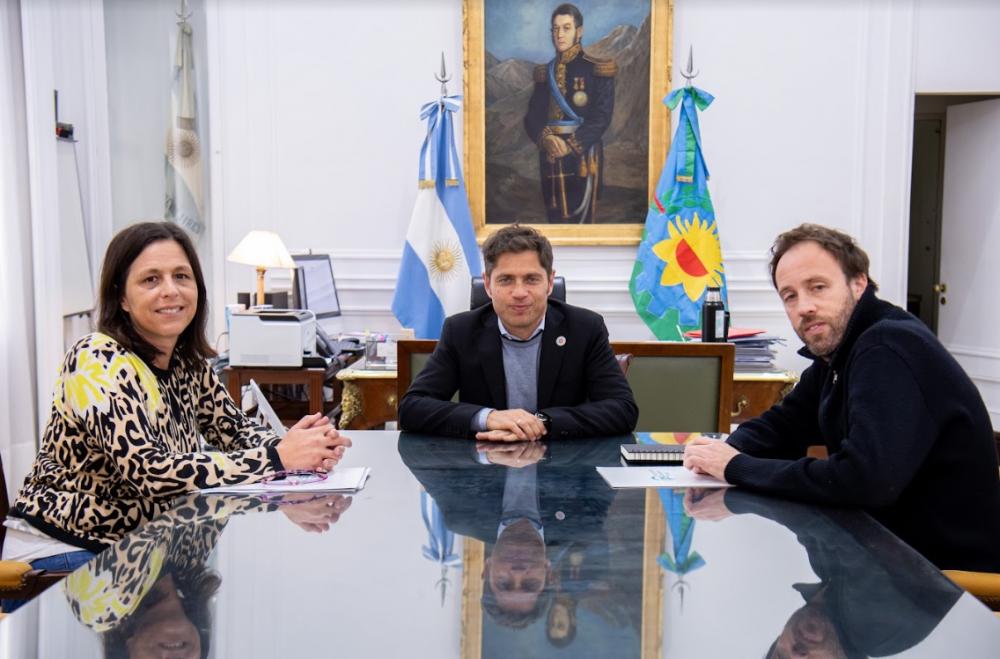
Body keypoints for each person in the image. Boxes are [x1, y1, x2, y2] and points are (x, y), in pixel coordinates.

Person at [3, 222, 351, 574]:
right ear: (121, 296)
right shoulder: (97, 359)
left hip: (139, 547)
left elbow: (237, 433)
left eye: (181, 276)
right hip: (64, 549)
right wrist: (279, 458)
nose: (170, 291)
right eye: (151, 279)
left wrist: (303, 449)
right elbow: (150, 473)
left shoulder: (187, 362)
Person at [683, 223, 1000, 572]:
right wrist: (723, 453)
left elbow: (863, 480)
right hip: (883, 558)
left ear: (858, 283)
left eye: (817, 287)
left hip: (941, 582)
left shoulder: (887, 347)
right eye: (790, 296)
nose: (804, 307)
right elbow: (784, 424)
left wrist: (736, 465)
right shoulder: (841, 350)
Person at [397, 224, 637, 440]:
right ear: (488, 284)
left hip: (564, 470)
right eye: (506, 280)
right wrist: (488, 418)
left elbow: (622, 409)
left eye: (531, 279)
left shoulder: (585, 328)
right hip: (483, 472)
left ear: (550, 282)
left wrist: (542, 423)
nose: (519, 292)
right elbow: (412, 408)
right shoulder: (461, 331)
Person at [523, 3, 616, 224]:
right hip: (550, 155)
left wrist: (571, 144)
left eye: (566, 28)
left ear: (579, 32)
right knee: (554, 219)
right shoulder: (545, 74)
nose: (559, 34)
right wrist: (546, 139)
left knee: (582, 222)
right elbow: (532, 118)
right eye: (555, 28)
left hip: (583, 155)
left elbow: (602, 117)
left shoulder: (596, 70)